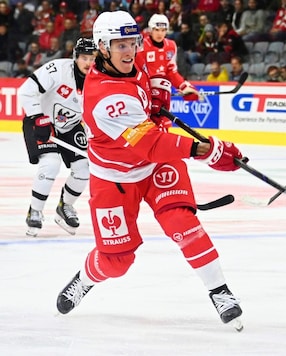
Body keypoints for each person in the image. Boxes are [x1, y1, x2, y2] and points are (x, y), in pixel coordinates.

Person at [55, 11, 245, 331]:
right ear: (103, 47)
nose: (130, 50)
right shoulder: (105, 97)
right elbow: (151, 144)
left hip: (155, 167)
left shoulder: (137, 55)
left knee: (182, 222)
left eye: (133, 41)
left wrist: (158, 92)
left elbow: (157, 73)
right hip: (115, 177)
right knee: (117, 261)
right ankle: (86, 278)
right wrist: (206, 150)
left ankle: (219, 291)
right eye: (120, 45)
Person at [19, 37, 97, 237]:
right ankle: (35, 210)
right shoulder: (57, 69)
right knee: (51, 164)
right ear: (75, 57)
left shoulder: (100, 78)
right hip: (42, 121)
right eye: (84, 58)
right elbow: (27, 90)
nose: (88, 63)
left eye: (93, 58)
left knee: (84, 168)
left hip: (70, 125)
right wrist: (37, 117)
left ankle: (65, 206)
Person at [138, 13, 200, 131]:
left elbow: (171, 71)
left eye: (163, 30)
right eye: (157, 29)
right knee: (144, 132)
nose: (160, 33)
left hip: (163, 96)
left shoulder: (171, 46)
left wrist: (184, 86)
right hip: (145, 95)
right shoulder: (141, 46)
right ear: (151, 29)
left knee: (164, 128)